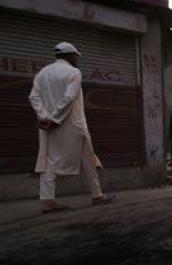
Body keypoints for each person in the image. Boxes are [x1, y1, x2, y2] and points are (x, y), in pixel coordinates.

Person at [29, 42, 115, 213]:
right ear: (70, 56)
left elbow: (33, 97)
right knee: (53, 161)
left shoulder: (42, 73)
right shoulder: (74, 72)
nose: (77, 59)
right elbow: (69, 98)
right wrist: (54, 119)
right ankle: (48, 202)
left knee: (84, 160)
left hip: (49, 125)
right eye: (76, 56)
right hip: (72, 126)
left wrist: (44, 117)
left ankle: (97, 195)